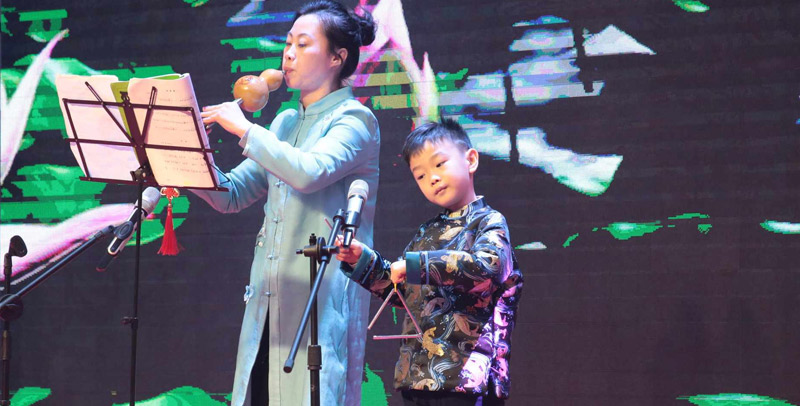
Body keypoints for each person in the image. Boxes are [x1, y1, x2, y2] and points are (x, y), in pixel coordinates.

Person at [194, 1, 379, 405]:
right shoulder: (284, 122)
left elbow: (309, 172)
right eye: (287, 43)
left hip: (316, 307)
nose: (288, 54)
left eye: (303, 44)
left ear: (336, 57)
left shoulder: (354, 120)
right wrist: (189, 160)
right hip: (267, 305)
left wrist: (246, 130)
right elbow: (233, 194)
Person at [336, 119, 523, 406]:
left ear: (471, 160)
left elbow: (487, 268)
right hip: (418, 377)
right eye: (421, 175)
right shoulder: (427, 232)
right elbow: (403, 292)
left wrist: (415, 266)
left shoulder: (489, 222)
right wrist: (362, 261)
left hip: (467, 378)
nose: (432, 178)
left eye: (439, 164)